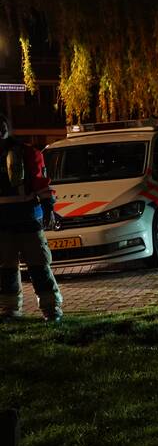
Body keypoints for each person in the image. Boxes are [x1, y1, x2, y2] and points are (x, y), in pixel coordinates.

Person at [0, 113, 62, 321]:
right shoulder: (25, 152)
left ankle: (51, 310)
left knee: (39, 267)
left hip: (27, 220)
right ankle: (10, 311)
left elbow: (40, 183)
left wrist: (48, 209)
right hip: (8, 223)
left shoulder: (26, 152)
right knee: (5, 271)